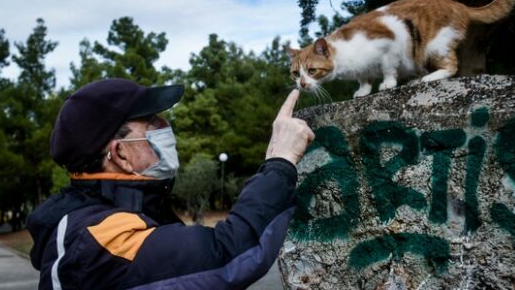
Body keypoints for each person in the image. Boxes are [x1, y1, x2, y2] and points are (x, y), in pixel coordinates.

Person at [26, 78, 314, 290]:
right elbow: (225, 254)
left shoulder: (118, 211)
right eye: (152, 122)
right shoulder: (98, 235)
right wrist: (279, 160)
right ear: (120, 154)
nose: (166, 127)